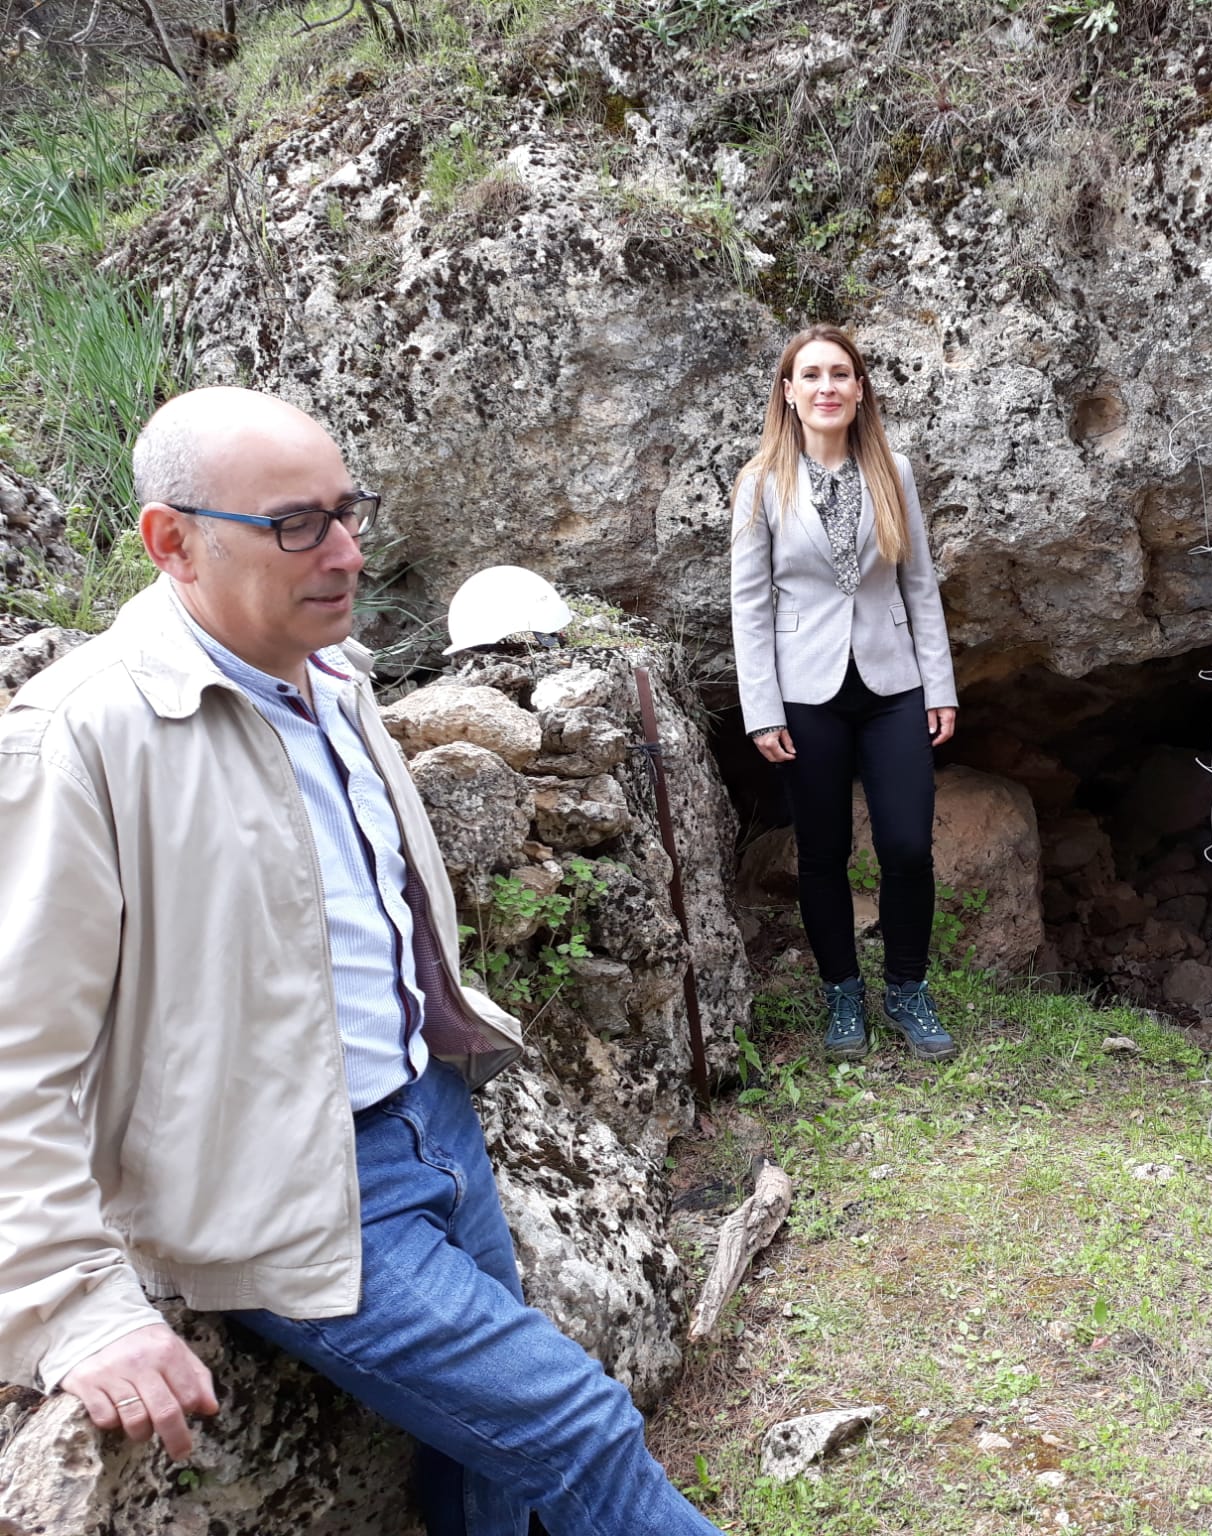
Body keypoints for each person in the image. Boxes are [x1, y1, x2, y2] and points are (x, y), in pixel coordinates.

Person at [0, 387, 724, 1536]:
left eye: (348, 512)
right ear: (171, 540)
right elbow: (17, 1051)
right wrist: (73, 1304)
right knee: (578, 1427)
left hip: (431, 1112)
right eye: (297, 524)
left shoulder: (329, 673)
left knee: (486, 1472)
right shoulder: (79, 737)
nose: (345, 552)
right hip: (288, 1186)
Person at [730, 324, 961, 1064]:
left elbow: (919, 584)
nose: (826, 387)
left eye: (840, 374)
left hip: (894, 685)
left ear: (860, 389)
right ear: (788, 392)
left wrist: (940, 685)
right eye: (811, 375)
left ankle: (907, 988)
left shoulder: (893, 471)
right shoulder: (761, 481)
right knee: (823, 851)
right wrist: (762, 710)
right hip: (805, 691)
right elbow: (750, 605)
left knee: (907, 846)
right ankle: (842, 993)